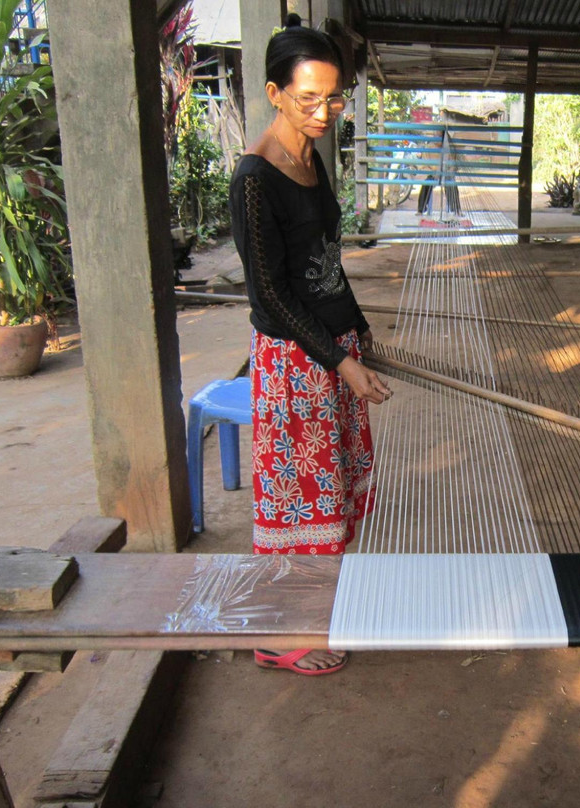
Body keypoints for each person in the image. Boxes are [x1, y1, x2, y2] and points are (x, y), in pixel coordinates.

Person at [228, 16, 392, 676]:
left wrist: (358, 330)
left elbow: (327, 261)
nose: (325, 112)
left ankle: (316, 610)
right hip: (296, 365)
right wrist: (340, 360)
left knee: (330, 493)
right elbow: (271, 295)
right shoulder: (255, 179)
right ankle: (279, 635)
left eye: (334, 97)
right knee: (301, 500)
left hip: (330, 349)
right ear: (274, 94)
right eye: (309, 99)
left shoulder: (312, 161)